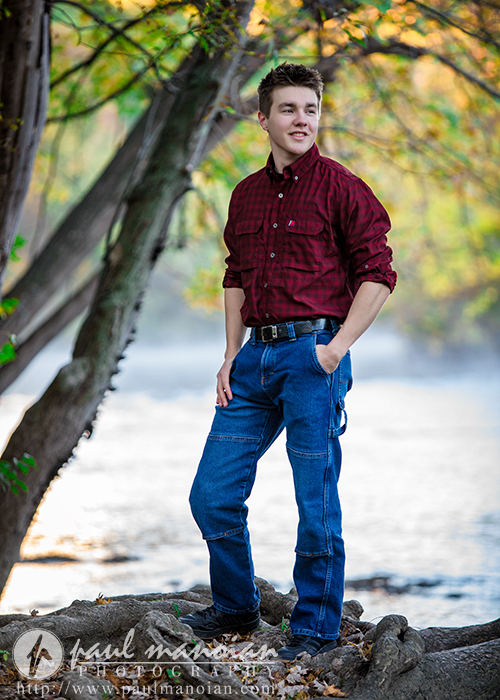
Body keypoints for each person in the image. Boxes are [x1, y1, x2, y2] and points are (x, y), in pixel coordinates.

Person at [180, 62, 397, 661]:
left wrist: (334, 350)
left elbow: (378, 275)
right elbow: (234, 278)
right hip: (253, 361)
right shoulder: (245, 195)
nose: (301, 120)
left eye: (310, 109)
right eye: (288, 109)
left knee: (315, 501)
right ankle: (236, 608)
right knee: (212, 495)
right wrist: (229, 355)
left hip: (313, 357)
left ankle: (315, 629)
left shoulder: (342, 187)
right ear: (263, 118)